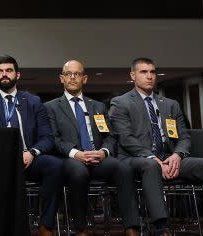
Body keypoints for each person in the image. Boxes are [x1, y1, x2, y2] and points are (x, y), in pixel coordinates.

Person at [110, 58, 203, 236]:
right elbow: (126, 138)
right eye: (144, 72)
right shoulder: (120, 102)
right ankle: (162, 228)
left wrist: (177, 155)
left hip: (169, 158)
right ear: (133, 75)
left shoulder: (170, 104)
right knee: (151, 166)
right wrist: (153, 158)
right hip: (135, 160)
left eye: (152, 72)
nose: (149, 76)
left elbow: (184, 136)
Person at [45, 60, 140, 236]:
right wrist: (76, 154)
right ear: (61, 78)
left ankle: (131, 227)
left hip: (98, 159)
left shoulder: (98, 106)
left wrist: (103, 152)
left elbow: (110, 136)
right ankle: (81, 229)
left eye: (77, 74)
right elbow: (53, 139)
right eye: (68, 74)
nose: (73, 77)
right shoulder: (50, 107)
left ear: (85, 78)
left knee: (124, 167)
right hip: (71, 159)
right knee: (78, 172)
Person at [0, 55, 62, 236]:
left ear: (17, 75)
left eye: (9, 70)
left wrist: (32, 153)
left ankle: (46, 225)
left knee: (55, 165)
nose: (4, 75)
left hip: (29, 159)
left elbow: (47, 137)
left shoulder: (33, 102)